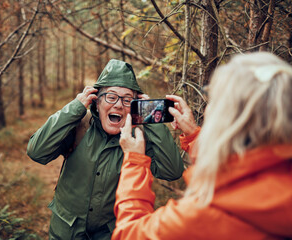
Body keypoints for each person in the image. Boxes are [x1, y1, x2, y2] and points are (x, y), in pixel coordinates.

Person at [112, 52, 292, 239]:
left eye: (214, 102)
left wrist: (134, 161)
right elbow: (241, 171)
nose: (207, 109)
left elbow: (129, 233)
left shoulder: (203, 214)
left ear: (231, 120)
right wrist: (193, 136)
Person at [27, 59, 184, 239]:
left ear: (134, 107)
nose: (118, 104)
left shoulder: (137, 140)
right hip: (66, 231)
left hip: (110, 233)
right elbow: (36, 152)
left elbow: (173, 171)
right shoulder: (79, 125)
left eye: (127, 100)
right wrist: (75, 108)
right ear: (97, 102)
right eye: (111, 96)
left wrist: (151, 116)